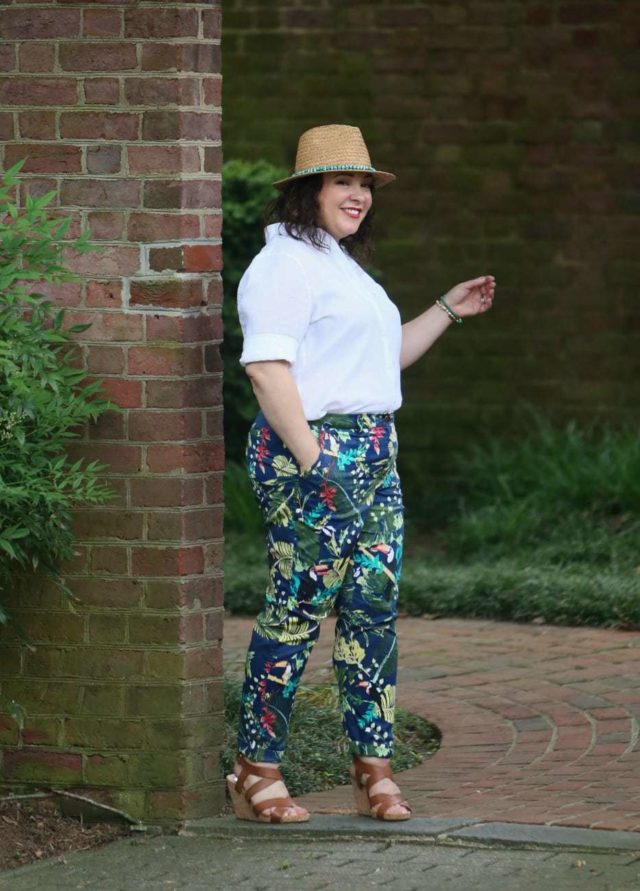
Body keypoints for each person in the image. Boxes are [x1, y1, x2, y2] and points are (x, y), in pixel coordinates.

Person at [227, 124, 495, 823]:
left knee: (373, 611)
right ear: (308, 190)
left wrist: (446, 309)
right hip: (312, 450)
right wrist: (316, 462)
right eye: (343, 181)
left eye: (365, 185)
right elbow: (265, 367)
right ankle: (255, 766)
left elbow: (377, 367)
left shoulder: (341, 266)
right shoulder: (284, 264)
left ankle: (373, 766)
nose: (358, 195)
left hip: (376, 451)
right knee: (297, 609)